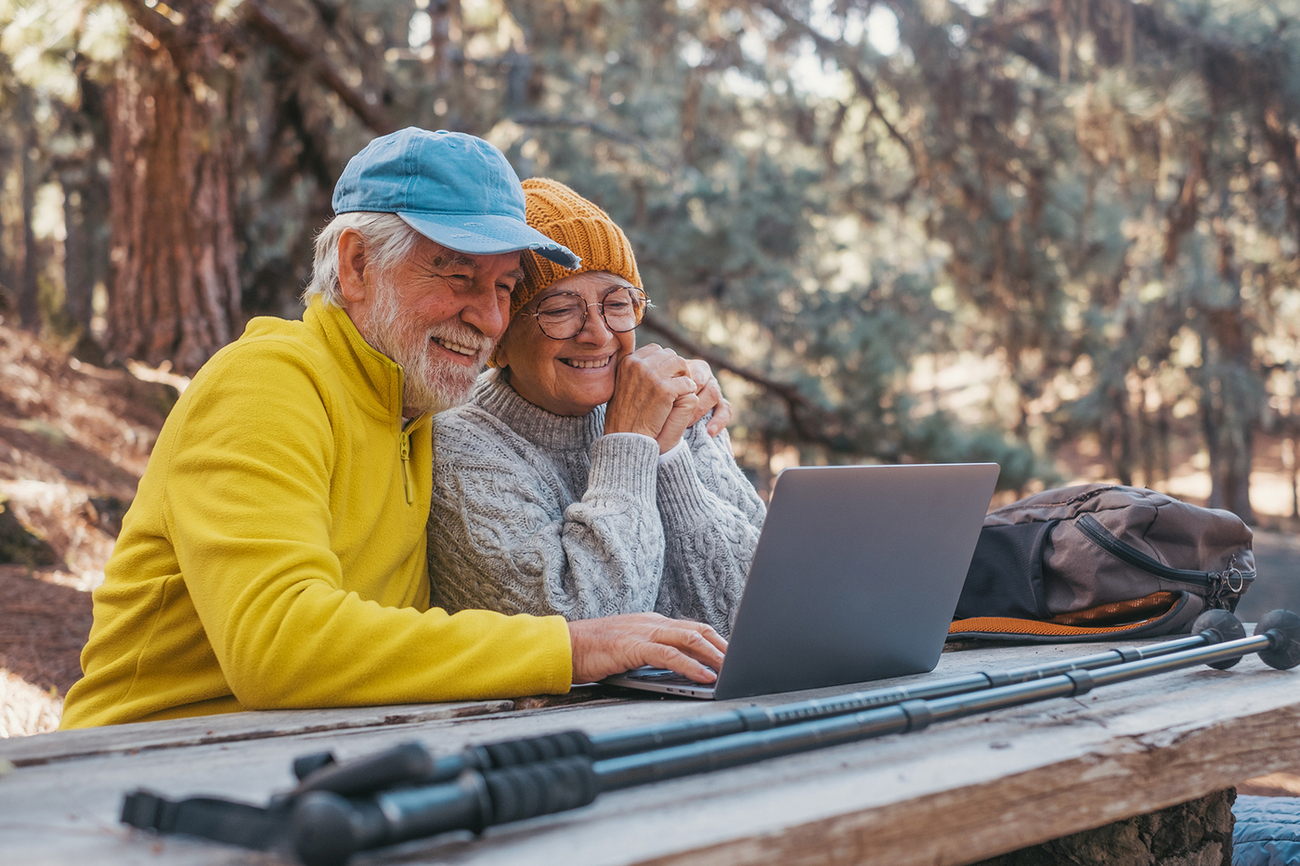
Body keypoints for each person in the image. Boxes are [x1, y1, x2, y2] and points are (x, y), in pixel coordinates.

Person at [60, 129, 725, 729]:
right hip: (142, 765)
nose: (489, 317)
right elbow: (280, 646)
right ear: (356, 266)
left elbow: (531, 392)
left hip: (312, 759)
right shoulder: (266, 382)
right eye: (458, 274)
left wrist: (670, 405)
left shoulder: (417, 412)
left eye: (503, 287)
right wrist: (570, 648)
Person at [428, 178, 765, 638]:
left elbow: (759, 609)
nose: (599, 334)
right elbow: (590, 629)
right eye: (559, 309)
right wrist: (630, 445)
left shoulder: (678, 403)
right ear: (499, 344)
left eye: (617, 303)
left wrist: (668, 455)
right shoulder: (458, 448)